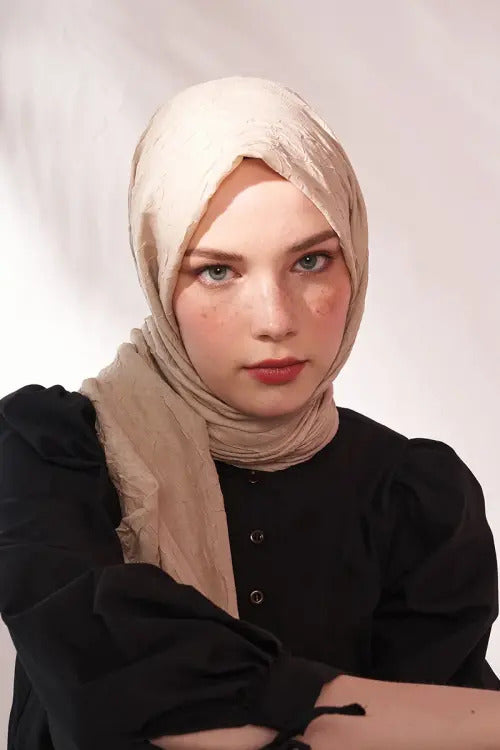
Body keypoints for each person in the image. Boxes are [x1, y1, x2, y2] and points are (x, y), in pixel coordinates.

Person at [0, 76, 498, 750]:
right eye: (217, 271)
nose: (275, 319)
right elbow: (115, 689)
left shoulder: (417, 498)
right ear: (159, 272)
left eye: (311, 261)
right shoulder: (50, 455)